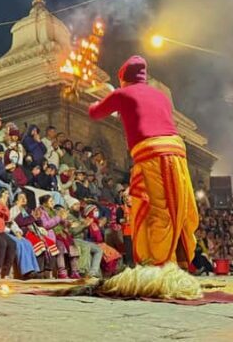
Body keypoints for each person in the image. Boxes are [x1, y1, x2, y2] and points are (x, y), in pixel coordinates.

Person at [88, 55, 199, 269]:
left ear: (123, 79)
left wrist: (94, 99)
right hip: (177, 151)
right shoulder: (160, 96)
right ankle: (182, 261)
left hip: (151, 154)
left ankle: (158, 265)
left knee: (157, 210)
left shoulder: (121, 93)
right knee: (181, 208)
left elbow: (95, 112)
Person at [0, 188, 40, 279]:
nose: (24, 199)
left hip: (15, 231)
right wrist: (14, 231)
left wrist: (17, 231)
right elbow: (16, 221)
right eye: (21, 197)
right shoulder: (13, 208)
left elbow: (12, 223)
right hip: (5, 231)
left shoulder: (24, 210)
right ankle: (26, 271)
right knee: (20, 244)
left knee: (28, 243)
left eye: (25, 197)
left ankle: (34, 269)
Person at [68, 199, 103, 278]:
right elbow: (73, 232)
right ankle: (83, 270)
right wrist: (84, 225)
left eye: (78, 204)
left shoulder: (79, 215)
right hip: (73, 239)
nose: (78, 206)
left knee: (99, 249)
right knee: (86, 246)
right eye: (75, 204)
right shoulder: (68, 216)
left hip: (82, 239)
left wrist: (87, 224)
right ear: (70, 206)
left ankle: (93, 272)